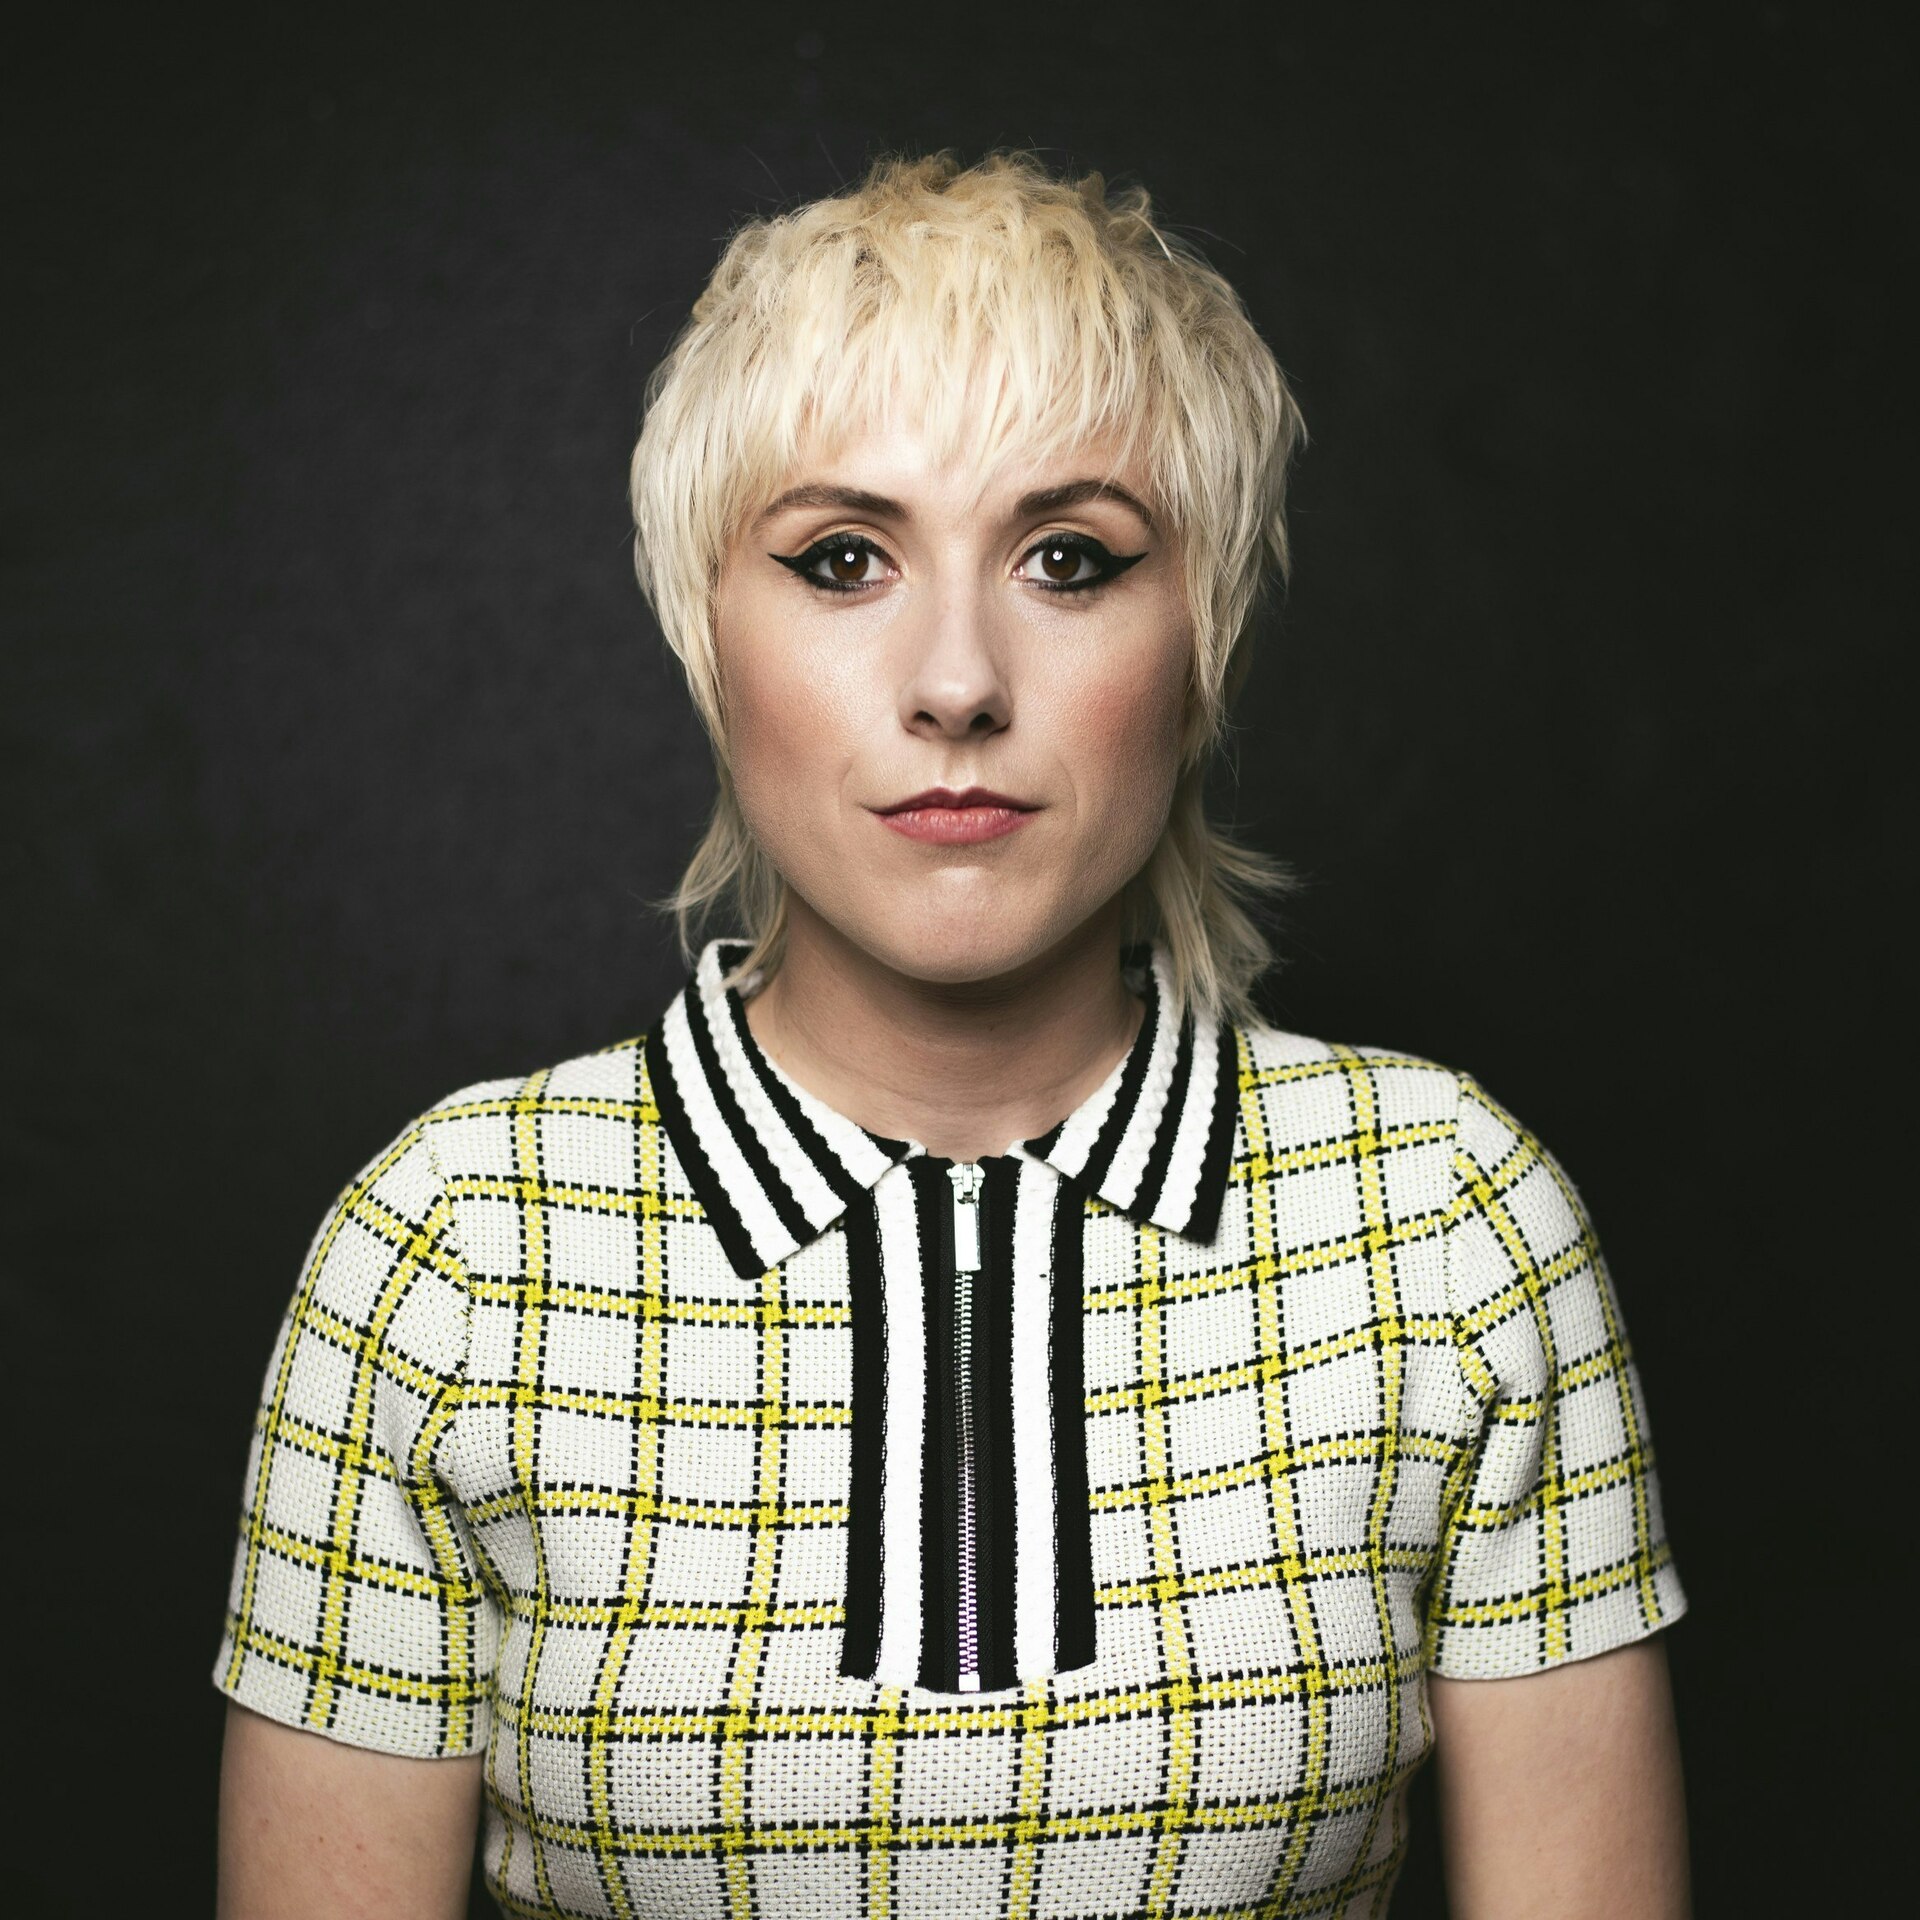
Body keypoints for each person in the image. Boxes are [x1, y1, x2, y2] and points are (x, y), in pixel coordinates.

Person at [211, 151, 1691, 1919]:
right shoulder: (451, 1251)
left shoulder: (1452, 1221)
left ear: (1205, 640)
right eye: (842, 559)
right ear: (705, 637)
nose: (959, 683)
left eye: (1071, 559)